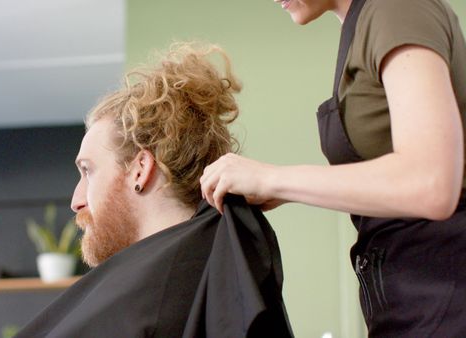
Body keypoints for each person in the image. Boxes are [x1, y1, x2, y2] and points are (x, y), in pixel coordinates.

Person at [200, 0, 466, 336]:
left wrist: (273, 180)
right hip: (410, 300)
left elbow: (432, 183)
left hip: (447, 295)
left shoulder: (397, 8)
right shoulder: (361, 27)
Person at [15, 43, 293, 337]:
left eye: (88, 171)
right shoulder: (208, 274)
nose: (76, 201)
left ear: (140, 169)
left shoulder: (148, 301)